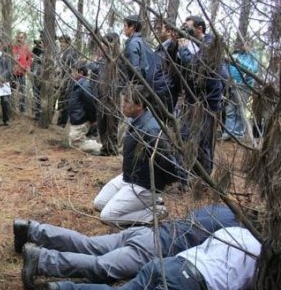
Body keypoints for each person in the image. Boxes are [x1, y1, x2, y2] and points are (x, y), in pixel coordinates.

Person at [41, 227, 261, 290]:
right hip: (191, 285)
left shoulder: (234, 230)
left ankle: (59, 289)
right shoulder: (262, 255)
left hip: (171, 263)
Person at [14, 204, 239, 290]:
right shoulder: (235, 232)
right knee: (101, 267)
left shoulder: (221, 208)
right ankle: (42, 260)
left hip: (146, 232)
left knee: (88, 244)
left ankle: (32, 229)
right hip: (155, 247)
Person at [93, 84, 175, 225]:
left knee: (107, 216)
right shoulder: (135, 120)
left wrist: (157, 186)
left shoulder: (151, 130)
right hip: (128, 178)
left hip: (143, 185)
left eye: (126, 102)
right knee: (99, 203)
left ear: (140, 105)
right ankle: (148, 202)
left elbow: (167, 162)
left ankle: (156, 210)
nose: (122, 105)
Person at [177, 15, 226, 175]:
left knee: (204, 141)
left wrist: (183, 50)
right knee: (185, 136)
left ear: (199, 28)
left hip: (206, 102)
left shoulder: (210, 45)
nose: (185, 30)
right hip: (191, 100)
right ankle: (187, 173)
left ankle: (204, 178)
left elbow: (195, 67)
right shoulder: (190, 43)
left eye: (188, 27)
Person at [222, 39, 259, 141]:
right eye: (242, 44)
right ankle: (228, 132)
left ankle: (238, 134)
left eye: (245, 44)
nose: (243, 46)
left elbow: (254, 69)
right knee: (229, 109)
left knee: (240, 110)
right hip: (231, 84)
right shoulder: (236, 54)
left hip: (244, 86)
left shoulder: (253, 56)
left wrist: (239, 62)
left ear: (250, 45)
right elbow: (227, 66)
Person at [67, 63, 101, 154]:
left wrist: (92, 119)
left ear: (80, 72)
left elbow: (90, 102)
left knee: (76, 143)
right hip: (78, 119)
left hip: (81, 119)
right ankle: (95, 145)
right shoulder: (80, 84)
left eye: (73, 72)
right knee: (73, 142)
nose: (71, 74)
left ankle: (100, 148)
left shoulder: (84, 85)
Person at [56, 35, 79, 127]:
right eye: (60, 42)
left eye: (63, 42)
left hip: (67, 80)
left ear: (68, 43)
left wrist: (70, 79)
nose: (62, 44)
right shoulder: (60, 53)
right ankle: (59, 121)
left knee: (65, 100)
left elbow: (74, 67)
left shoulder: (72, 53)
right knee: (60, 100)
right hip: (59, 79)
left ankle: (62, 123)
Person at [121, 14, 149, 85]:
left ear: (132, 26)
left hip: (136, 85)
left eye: (125, 26)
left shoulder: (133, 43)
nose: (123, 29)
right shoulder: (142, 41)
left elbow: (134, 69)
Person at [12, 31, 33, 113]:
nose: (19, 39)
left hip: (22, 73)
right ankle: (13, 108)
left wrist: (27, 67)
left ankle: (22, 109)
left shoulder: (26, 48)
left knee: (22, 91)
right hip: (13, 73)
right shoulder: (13, 48)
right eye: (18, 37)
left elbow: (30, 59)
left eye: (21, 38)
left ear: (24, 39)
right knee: (12, 91)